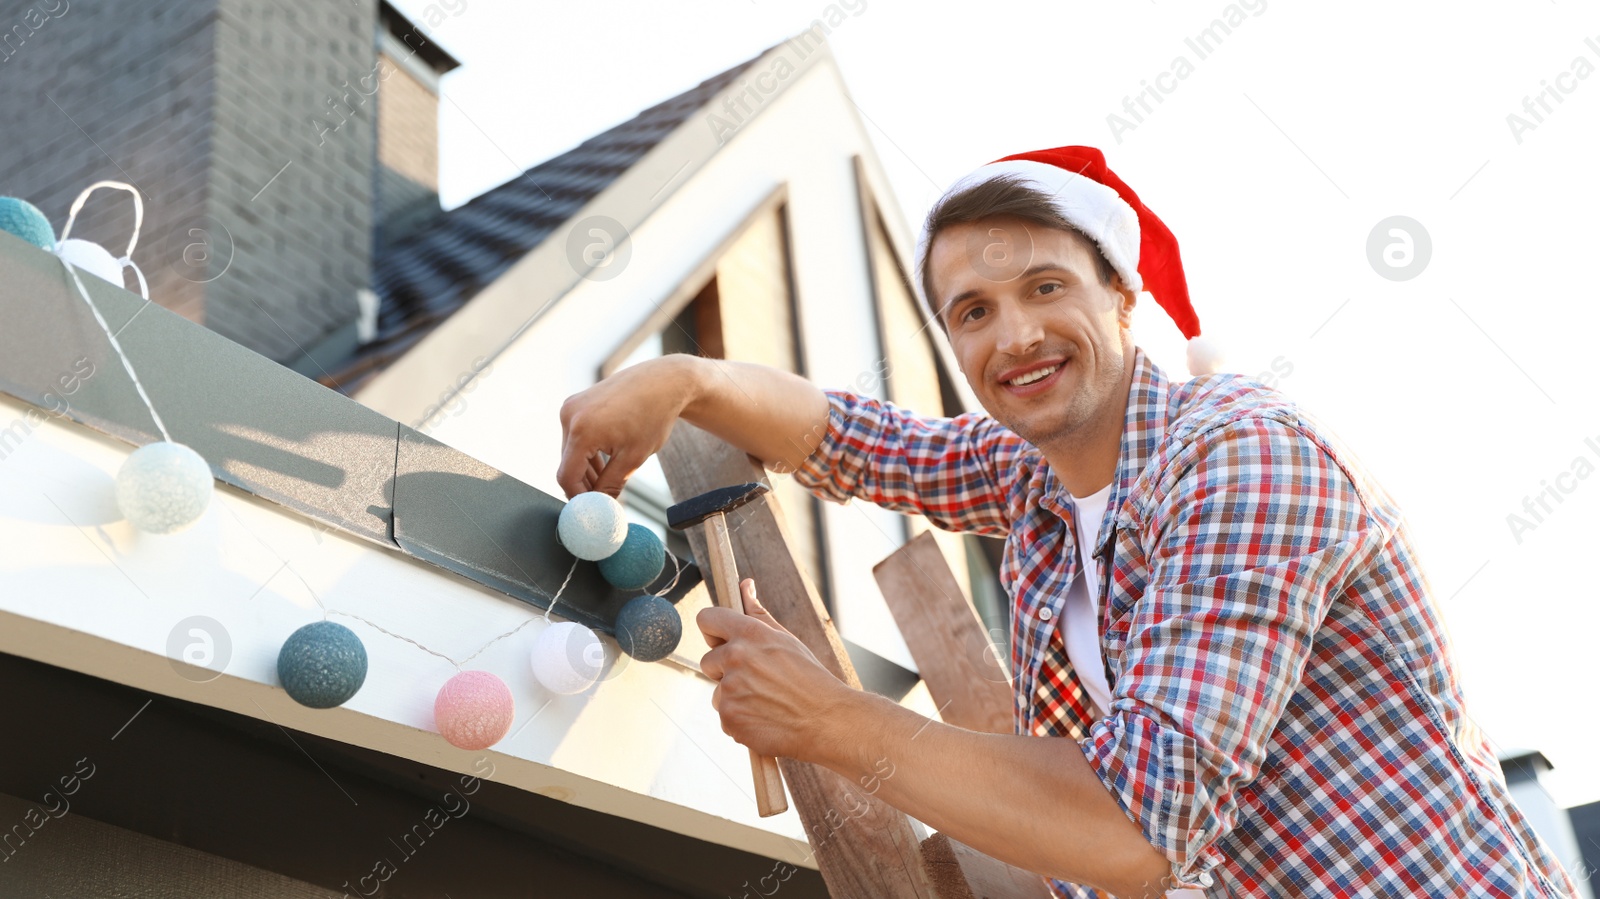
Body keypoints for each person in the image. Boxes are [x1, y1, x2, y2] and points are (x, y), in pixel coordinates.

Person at [556, 146, 1580, 898]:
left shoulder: (1240, 457)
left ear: (1122, 295)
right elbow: (865, 440)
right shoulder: (1037, 478)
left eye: (1044, 287)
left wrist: (827, 717)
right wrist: (680, 375)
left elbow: (1135, 827)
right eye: (972, 310)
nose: (1015, 334)